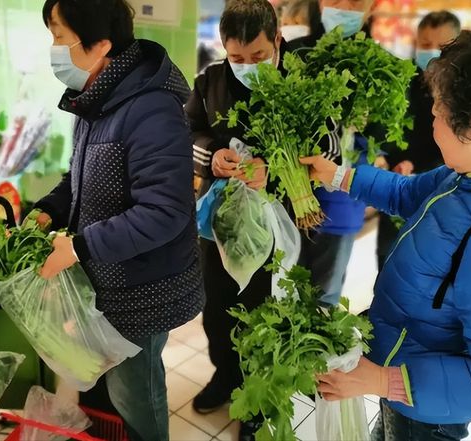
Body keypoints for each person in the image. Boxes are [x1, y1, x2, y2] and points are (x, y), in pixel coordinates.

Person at [302, 25, 471, 441]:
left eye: (437, 113)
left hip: (431, 411)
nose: (431, 123)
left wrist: (381, 382)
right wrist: (339, 175)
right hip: (403, 372)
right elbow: (409, 192)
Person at [31, 1, 204, 439]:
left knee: (137, 393)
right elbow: (83, 176)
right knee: (111, 388)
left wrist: (79, 247)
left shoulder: (151, 109)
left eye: (58, 36)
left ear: (101, 44)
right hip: (109, 282)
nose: (52, 48)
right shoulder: (97, 97)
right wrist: (48, 210)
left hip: (144, 289)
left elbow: (164, 212)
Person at [186, 1, 281, 438]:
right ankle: (225, 377)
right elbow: (188, 133)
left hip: (278, 221)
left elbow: (330, 148)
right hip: (220, 222)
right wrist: (212, 156)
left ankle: (258, 398)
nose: (247, 66)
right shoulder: (209, 81)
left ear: (277, 41)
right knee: (217, 308)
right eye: (237, 58)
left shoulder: (301, 81)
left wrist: (276, 167)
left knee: (264, 312)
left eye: (259, 57)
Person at [286, 0, 375, 307]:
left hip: (341, 200)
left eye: (354, 2)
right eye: (335, 0)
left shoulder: (375, 63)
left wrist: (367, 127)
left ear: (370, 8)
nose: (343, 7)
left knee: (323, 300)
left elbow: (387, 139)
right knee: (284, 294)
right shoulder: (295, 53)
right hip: (290, 201)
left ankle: (314, 354)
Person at [375, 10, 461, 270]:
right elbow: (386, 129)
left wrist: (423, 167)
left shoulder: (462, 92)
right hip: (398, 179)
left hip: (443, 184)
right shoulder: (401, 80)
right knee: (389, 253)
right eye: (425, 45)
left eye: (441, 46)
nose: (432, 52)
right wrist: (388, 157)